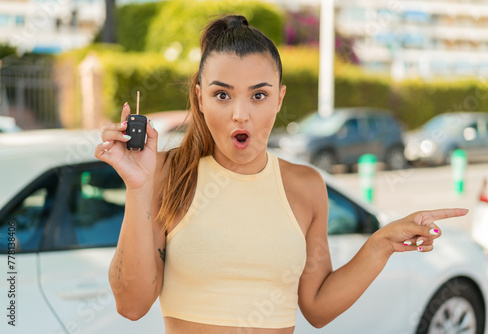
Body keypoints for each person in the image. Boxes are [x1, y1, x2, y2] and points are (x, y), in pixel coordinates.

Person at [95, 14, 467, 334]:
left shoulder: (306, 187)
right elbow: (132, 305)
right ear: (200, 98)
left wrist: (381, 243)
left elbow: (318, 307)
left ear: (279, 99)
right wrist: (138, 189)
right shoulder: (166, 173)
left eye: (258, 95)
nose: (241, 113)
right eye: (222, 95)